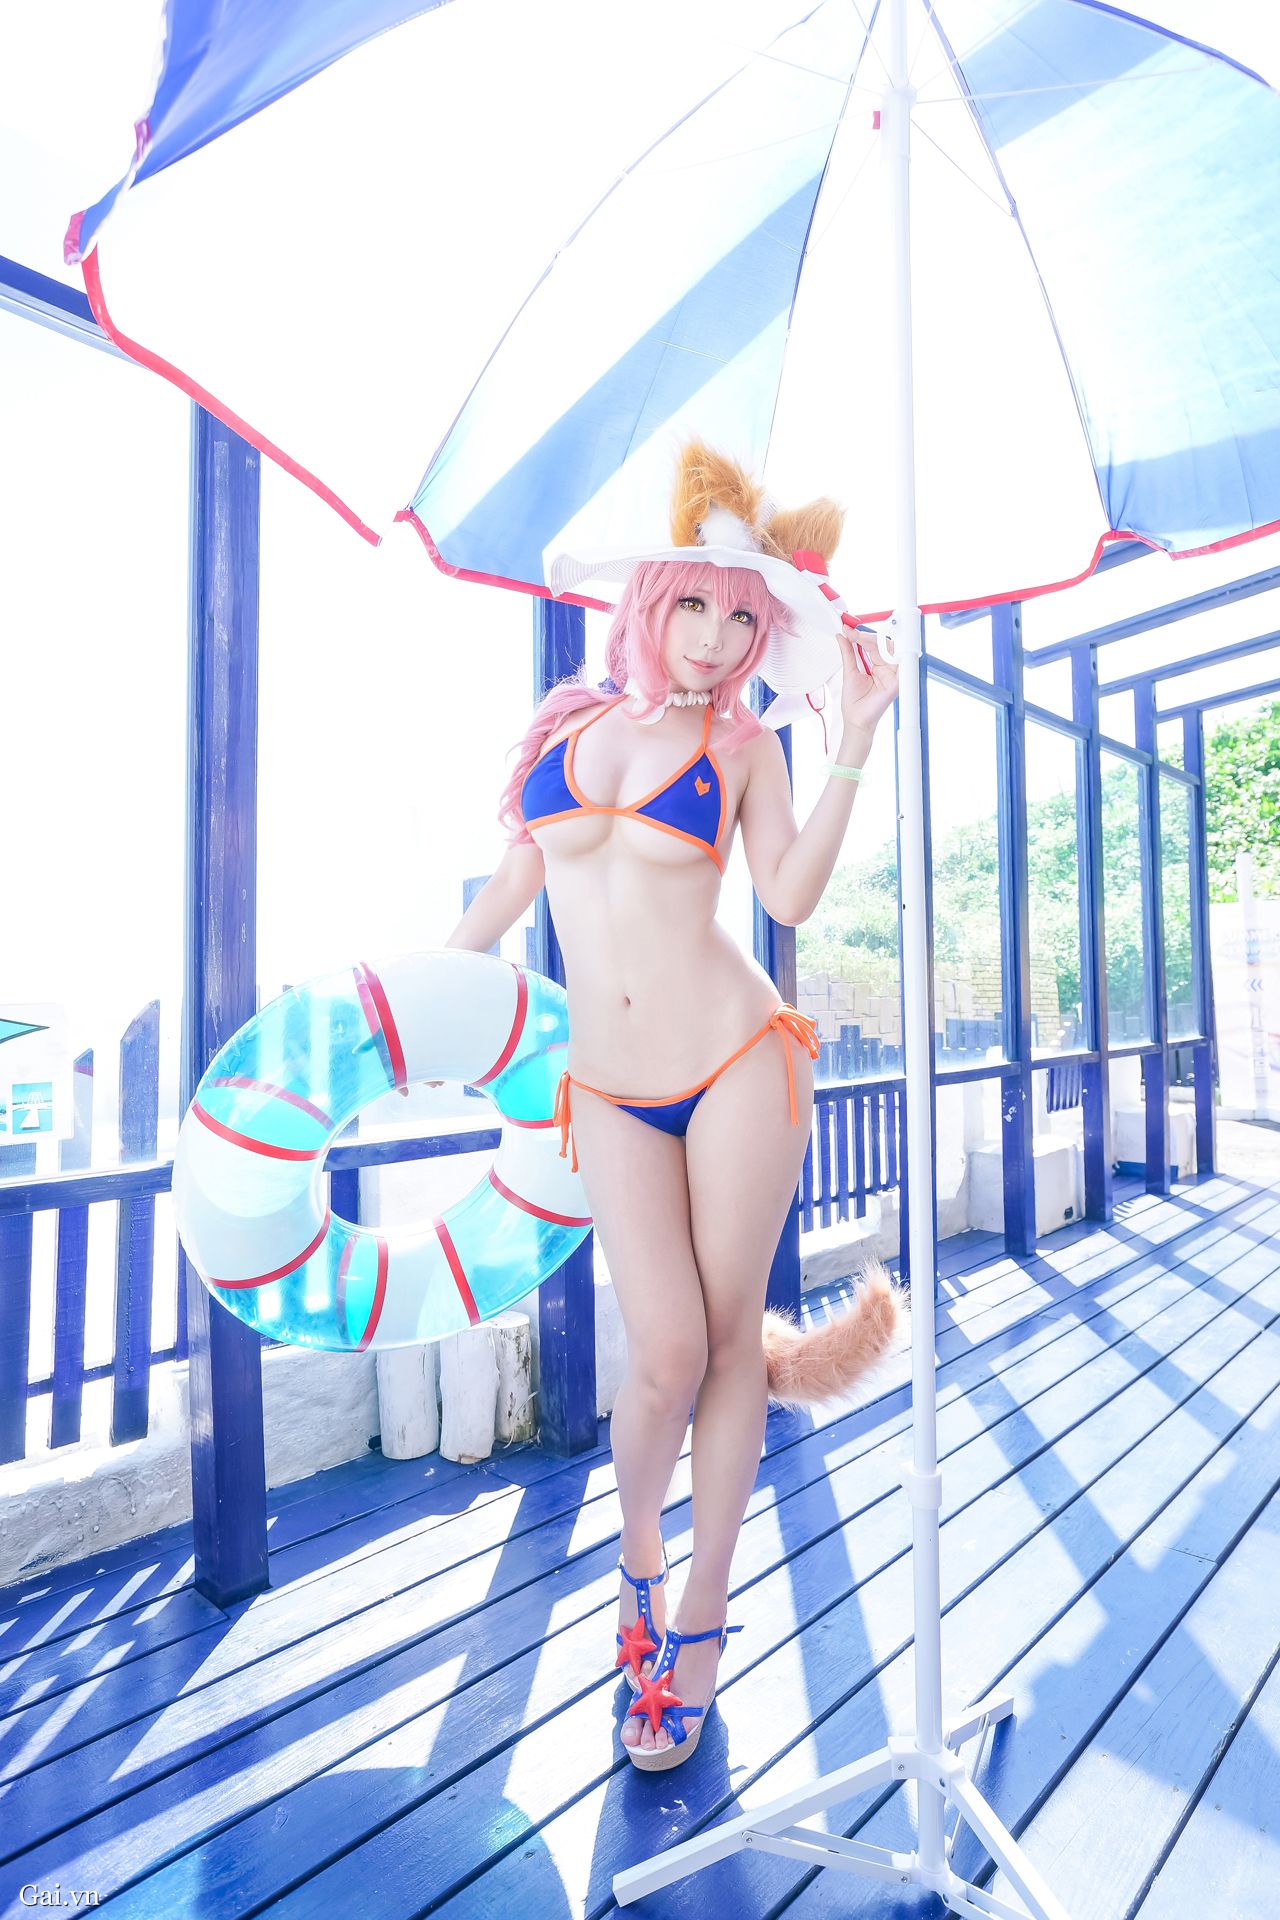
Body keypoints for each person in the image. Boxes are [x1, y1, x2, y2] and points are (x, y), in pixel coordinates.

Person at [443, 441, 902, 1770]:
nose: (713, 638)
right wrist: (406, 1019)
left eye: (744, 618)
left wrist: (854, 744)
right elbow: (502, 900)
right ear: (649, 598)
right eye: (694, 604)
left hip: (738, 1057)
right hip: (608, 1086)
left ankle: (700, 1617)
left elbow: (789, 895)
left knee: (717, 1341)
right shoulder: (562, 731)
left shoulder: (743, 743)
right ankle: (637, 1568)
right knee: (666, 1355)